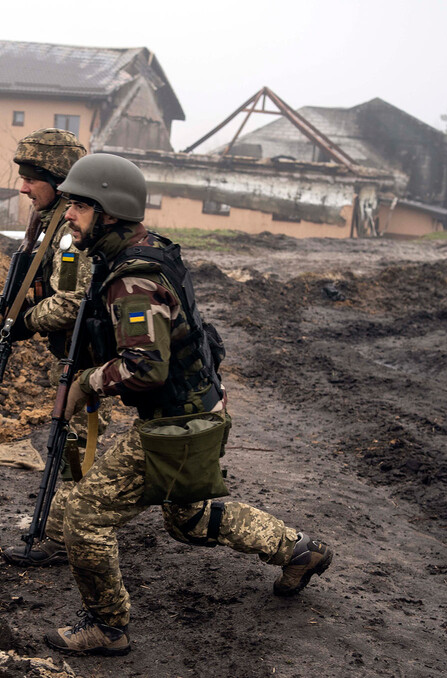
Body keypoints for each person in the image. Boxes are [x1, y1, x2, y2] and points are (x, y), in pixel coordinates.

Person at [42, 153, 334, 656]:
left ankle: (107, 627)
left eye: (80, 206)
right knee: (189, 518)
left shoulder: (133, 280)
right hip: (197, 408)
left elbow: (144, 368)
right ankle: (298, 551)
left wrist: (86, 383)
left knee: (86, 517)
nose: (68, 214)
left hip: (177, 421)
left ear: (110, 212)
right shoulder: (141, 251)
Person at [0, 128, 101, 568]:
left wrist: (25, 321)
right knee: (71, 442)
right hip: (84, 357)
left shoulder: (69, 233)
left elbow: (72, 301)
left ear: (58, 181)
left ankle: (60, 536)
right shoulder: (55, 223)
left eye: (31, 178)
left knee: (72, 444)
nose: (23, 187)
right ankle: (61, 532)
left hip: (95, 359)